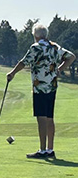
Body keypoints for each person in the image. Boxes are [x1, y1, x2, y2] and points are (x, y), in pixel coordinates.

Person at [7, 24, 75, 159]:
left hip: (40, 87)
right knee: (49, 118)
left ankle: (43, 150)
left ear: (36, 36)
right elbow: (71, 57)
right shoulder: (54, 46)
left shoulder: (36, 47)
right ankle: (50, 149)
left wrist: (12, 73)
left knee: (41, 118)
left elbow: (23, 62)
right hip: (52, 86)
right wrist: (59, 69)